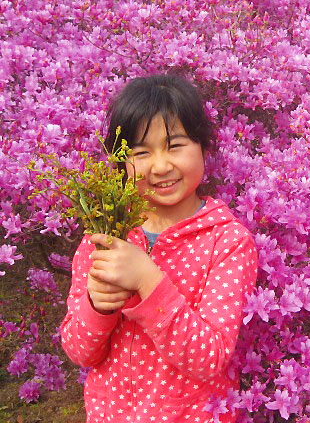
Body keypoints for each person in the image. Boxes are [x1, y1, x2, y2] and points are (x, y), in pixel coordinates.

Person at [60, 74, 258, 422]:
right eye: (141, 152)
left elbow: (209, 359)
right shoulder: (105, 237)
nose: (161, 165)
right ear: (121, 163)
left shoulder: (227, 241)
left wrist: (148, 281)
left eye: (175, 145)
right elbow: (80, 352)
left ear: (204, 146)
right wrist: (98, 308)